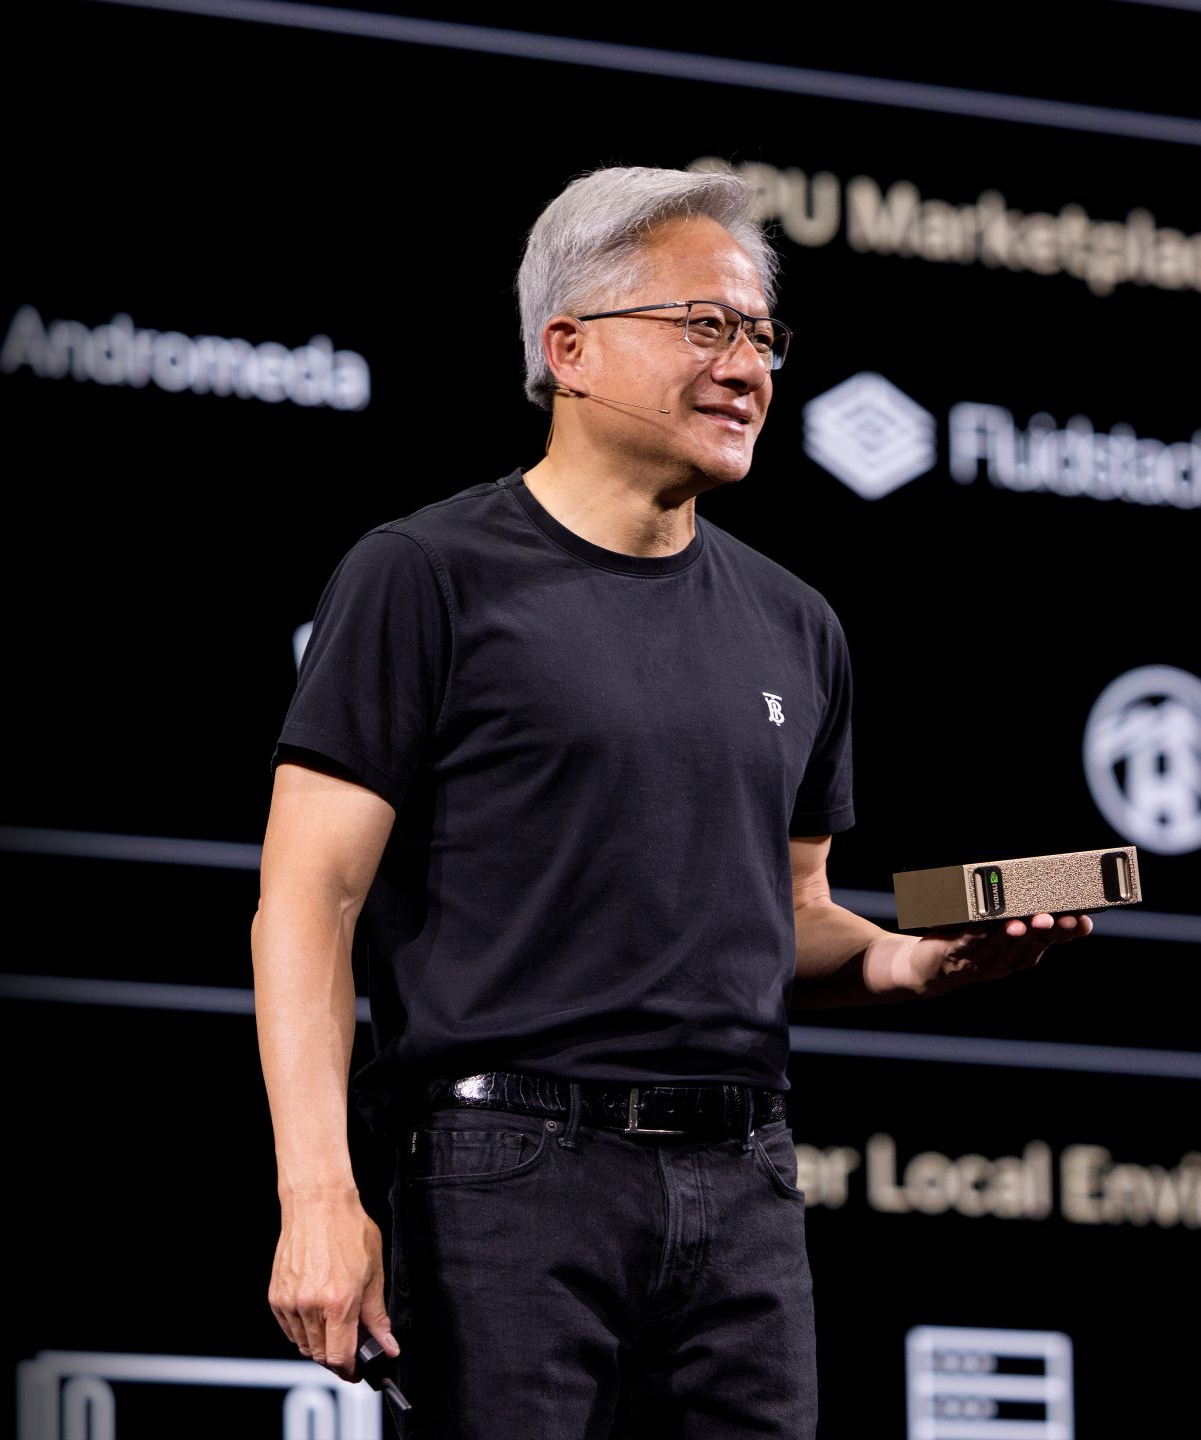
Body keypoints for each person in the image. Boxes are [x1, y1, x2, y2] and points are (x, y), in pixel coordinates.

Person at [251, 165, 1093, 1438]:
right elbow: (307, 902)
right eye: (705, 326)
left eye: (761, 335)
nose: (747, 367)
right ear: (569, 349)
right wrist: (317, 1192)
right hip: (509, 1178)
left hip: (743, 1186)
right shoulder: (424, 576)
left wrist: (913, 964)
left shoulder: (797, 624)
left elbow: (791, 917)